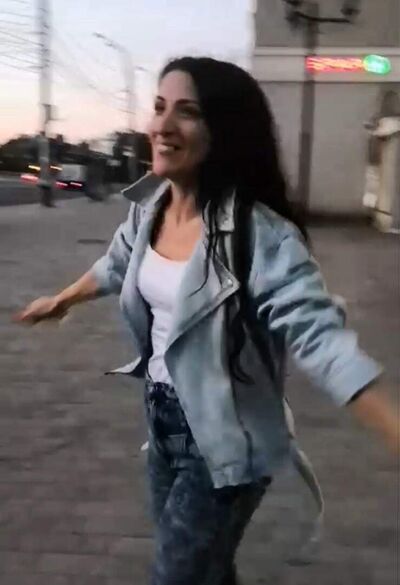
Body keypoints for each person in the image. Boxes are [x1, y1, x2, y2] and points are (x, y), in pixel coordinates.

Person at [15, 57, 399, 585]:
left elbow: (321, 339)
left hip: (225, 436)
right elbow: (118, 263)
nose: (163, 125)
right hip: (162, 422)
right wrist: (62, 300)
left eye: (188, 112)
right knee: (205, 571)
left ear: (224, 131)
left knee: (177, 575)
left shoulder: (261, 236)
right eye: (159, 107)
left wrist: (392, 426)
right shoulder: (149, 208)